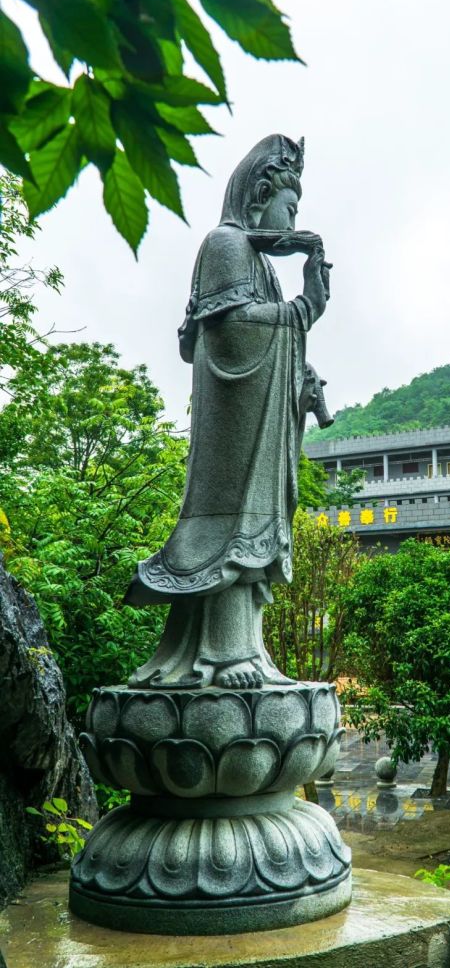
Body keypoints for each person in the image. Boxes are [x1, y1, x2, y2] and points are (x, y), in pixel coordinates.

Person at [125, 134, 331, 690]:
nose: (292, 218)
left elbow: (261, 326)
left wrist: (302, 313)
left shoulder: (259, 263)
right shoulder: (227, 244)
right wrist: (301, 310)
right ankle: (222, 653)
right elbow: (234, 335)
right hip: (231, 439)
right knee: (232, 531)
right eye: (290, 205)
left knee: (251, 534)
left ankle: (244, 648)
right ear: (261, 194)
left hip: (249, 430)